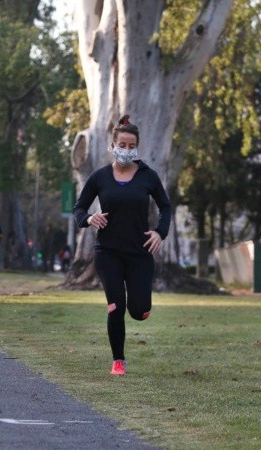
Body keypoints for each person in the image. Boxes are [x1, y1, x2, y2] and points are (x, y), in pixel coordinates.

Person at [72, 114, 171, 376]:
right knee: (115, 305)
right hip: (108, 253)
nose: (126, 150)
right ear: (112, 146)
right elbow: (79, 208)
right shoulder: (99, 177)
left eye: (131, 146)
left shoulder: (148, 176)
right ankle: (118, 361)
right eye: (122, 145)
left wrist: (160, 233)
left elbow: (165, 206)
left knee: (139, 312)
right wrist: (89, 218)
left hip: (140, 253)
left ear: (136, 147)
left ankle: (139, 307)